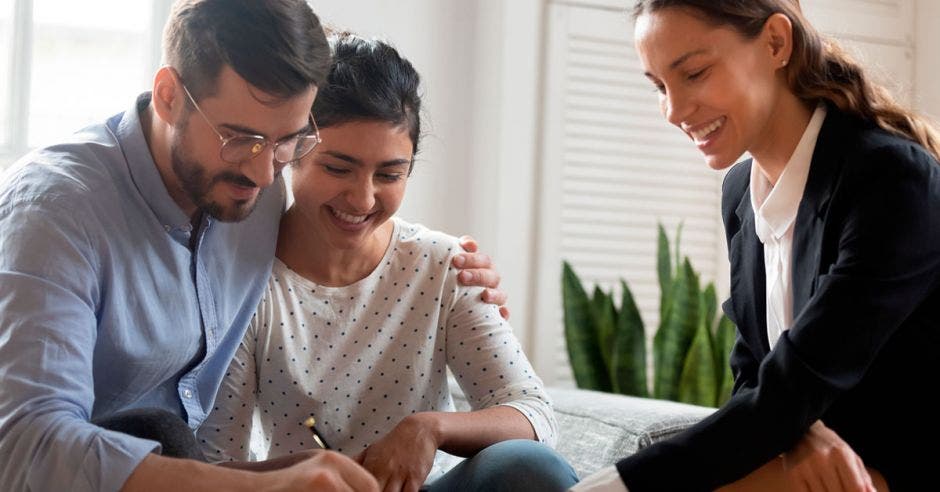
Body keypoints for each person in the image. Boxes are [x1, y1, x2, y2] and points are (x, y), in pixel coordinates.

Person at [0, 2, 504, 491]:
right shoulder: (54, 211)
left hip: (184, 465)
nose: (265, 173)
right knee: (155, 429)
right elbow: (27, 447)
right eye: (240, 137)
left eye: (289, 140)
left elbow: (352, 231)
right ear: (169, 94)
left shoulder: (251, 190)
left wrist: (453, 268)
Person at [573, 1, 940, 491]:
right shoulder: (741, 193)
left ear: (775, 43)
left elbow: (807, 373)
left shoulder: (890, 179)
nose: (674, 111)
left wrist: (611, 487)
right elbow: (755, 372)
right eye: (661, 86)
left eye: (695, 74)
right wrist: (801, 435)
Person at [197, 33, 579, 492]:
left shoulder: (444, 266)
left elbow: (532, 413)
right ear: (291, 154)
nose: (362, 198)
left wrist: (428, 428)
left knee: (527, 465)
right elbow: (217, 463)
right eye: (338, 168)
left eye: (390, 174)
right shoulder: (245, 283)